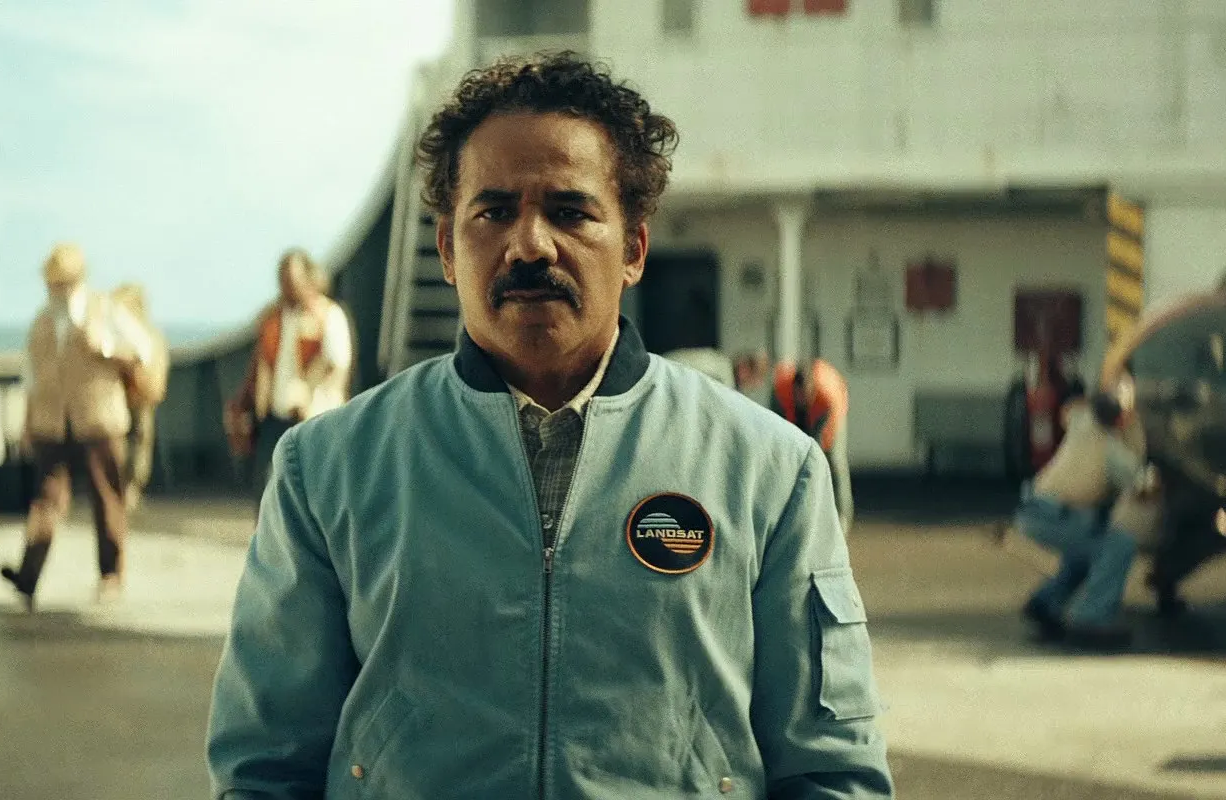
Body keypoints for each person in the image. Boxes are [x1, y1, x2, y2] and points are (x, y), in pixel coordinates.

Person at [206, 51, 894, 798]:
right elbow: (264, 768)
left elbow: (832, 771)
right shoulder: (327, 469)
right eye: (494, 211)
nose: (530, 244)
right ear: (447, 248)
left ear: (633, 248)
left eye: (570, 212)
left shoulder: (769, 471)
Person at [0, 243, 158, 608]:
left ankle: (111, 575)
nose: (56, 290)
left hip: (99, 420)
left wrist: (105, 348)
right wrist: (27, 425)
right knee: (46, 499)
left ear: (78, 281)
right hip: (52, 423)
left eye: (63, 282)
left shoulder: (106, 310)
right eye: (52, 283)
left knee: (107, 497)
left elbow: (144, 350)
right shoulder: (42, 322)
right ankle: (28, 575)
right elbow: (31, 379)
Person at [1011, 377, 1159, 649]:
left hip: (1034, 508)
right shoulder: (1115, 454)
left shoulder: (1083, 421)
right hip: (1057, 515)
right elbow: (1144, 488)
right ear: (1124, 418)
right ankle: (1092, 618)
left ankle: (1045, 604)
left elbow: (1070, 408)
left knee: (1086, 552)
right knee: (1119, 545)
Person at [224, 248, 353, 496]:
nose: (288, 287)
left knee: (309, 488)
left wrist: (310, 397)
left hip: (313, 418)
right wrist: (246, 402)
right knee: (267, 486)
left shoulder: (328, 315)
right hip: (274, 415)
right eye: (283, 280)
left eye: (293, 280)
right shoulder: (274, 318)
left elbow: (337, 366)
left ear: (309, 278)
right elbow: (260, 362)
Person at [771, 356, 854, 531]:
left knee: (835, 460)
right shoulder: (780, 390)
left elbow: (820, 445)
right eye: (799, 395)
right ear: (793, 390)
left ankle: (843, 518)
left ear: (812, 389)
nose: (802, 400)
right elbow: (775, 430)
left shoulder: (828, 398)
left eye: (806, 395)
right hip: (793, 414)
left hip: (830, 410)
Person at [108, 282, 170, 511]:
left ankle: (129, 487)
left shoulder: (144, 334)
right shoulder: (149, 333)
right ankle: (126, 487)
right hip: (130, 396)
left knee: (137, 441)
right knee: (135, 441)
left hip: (139, 396)